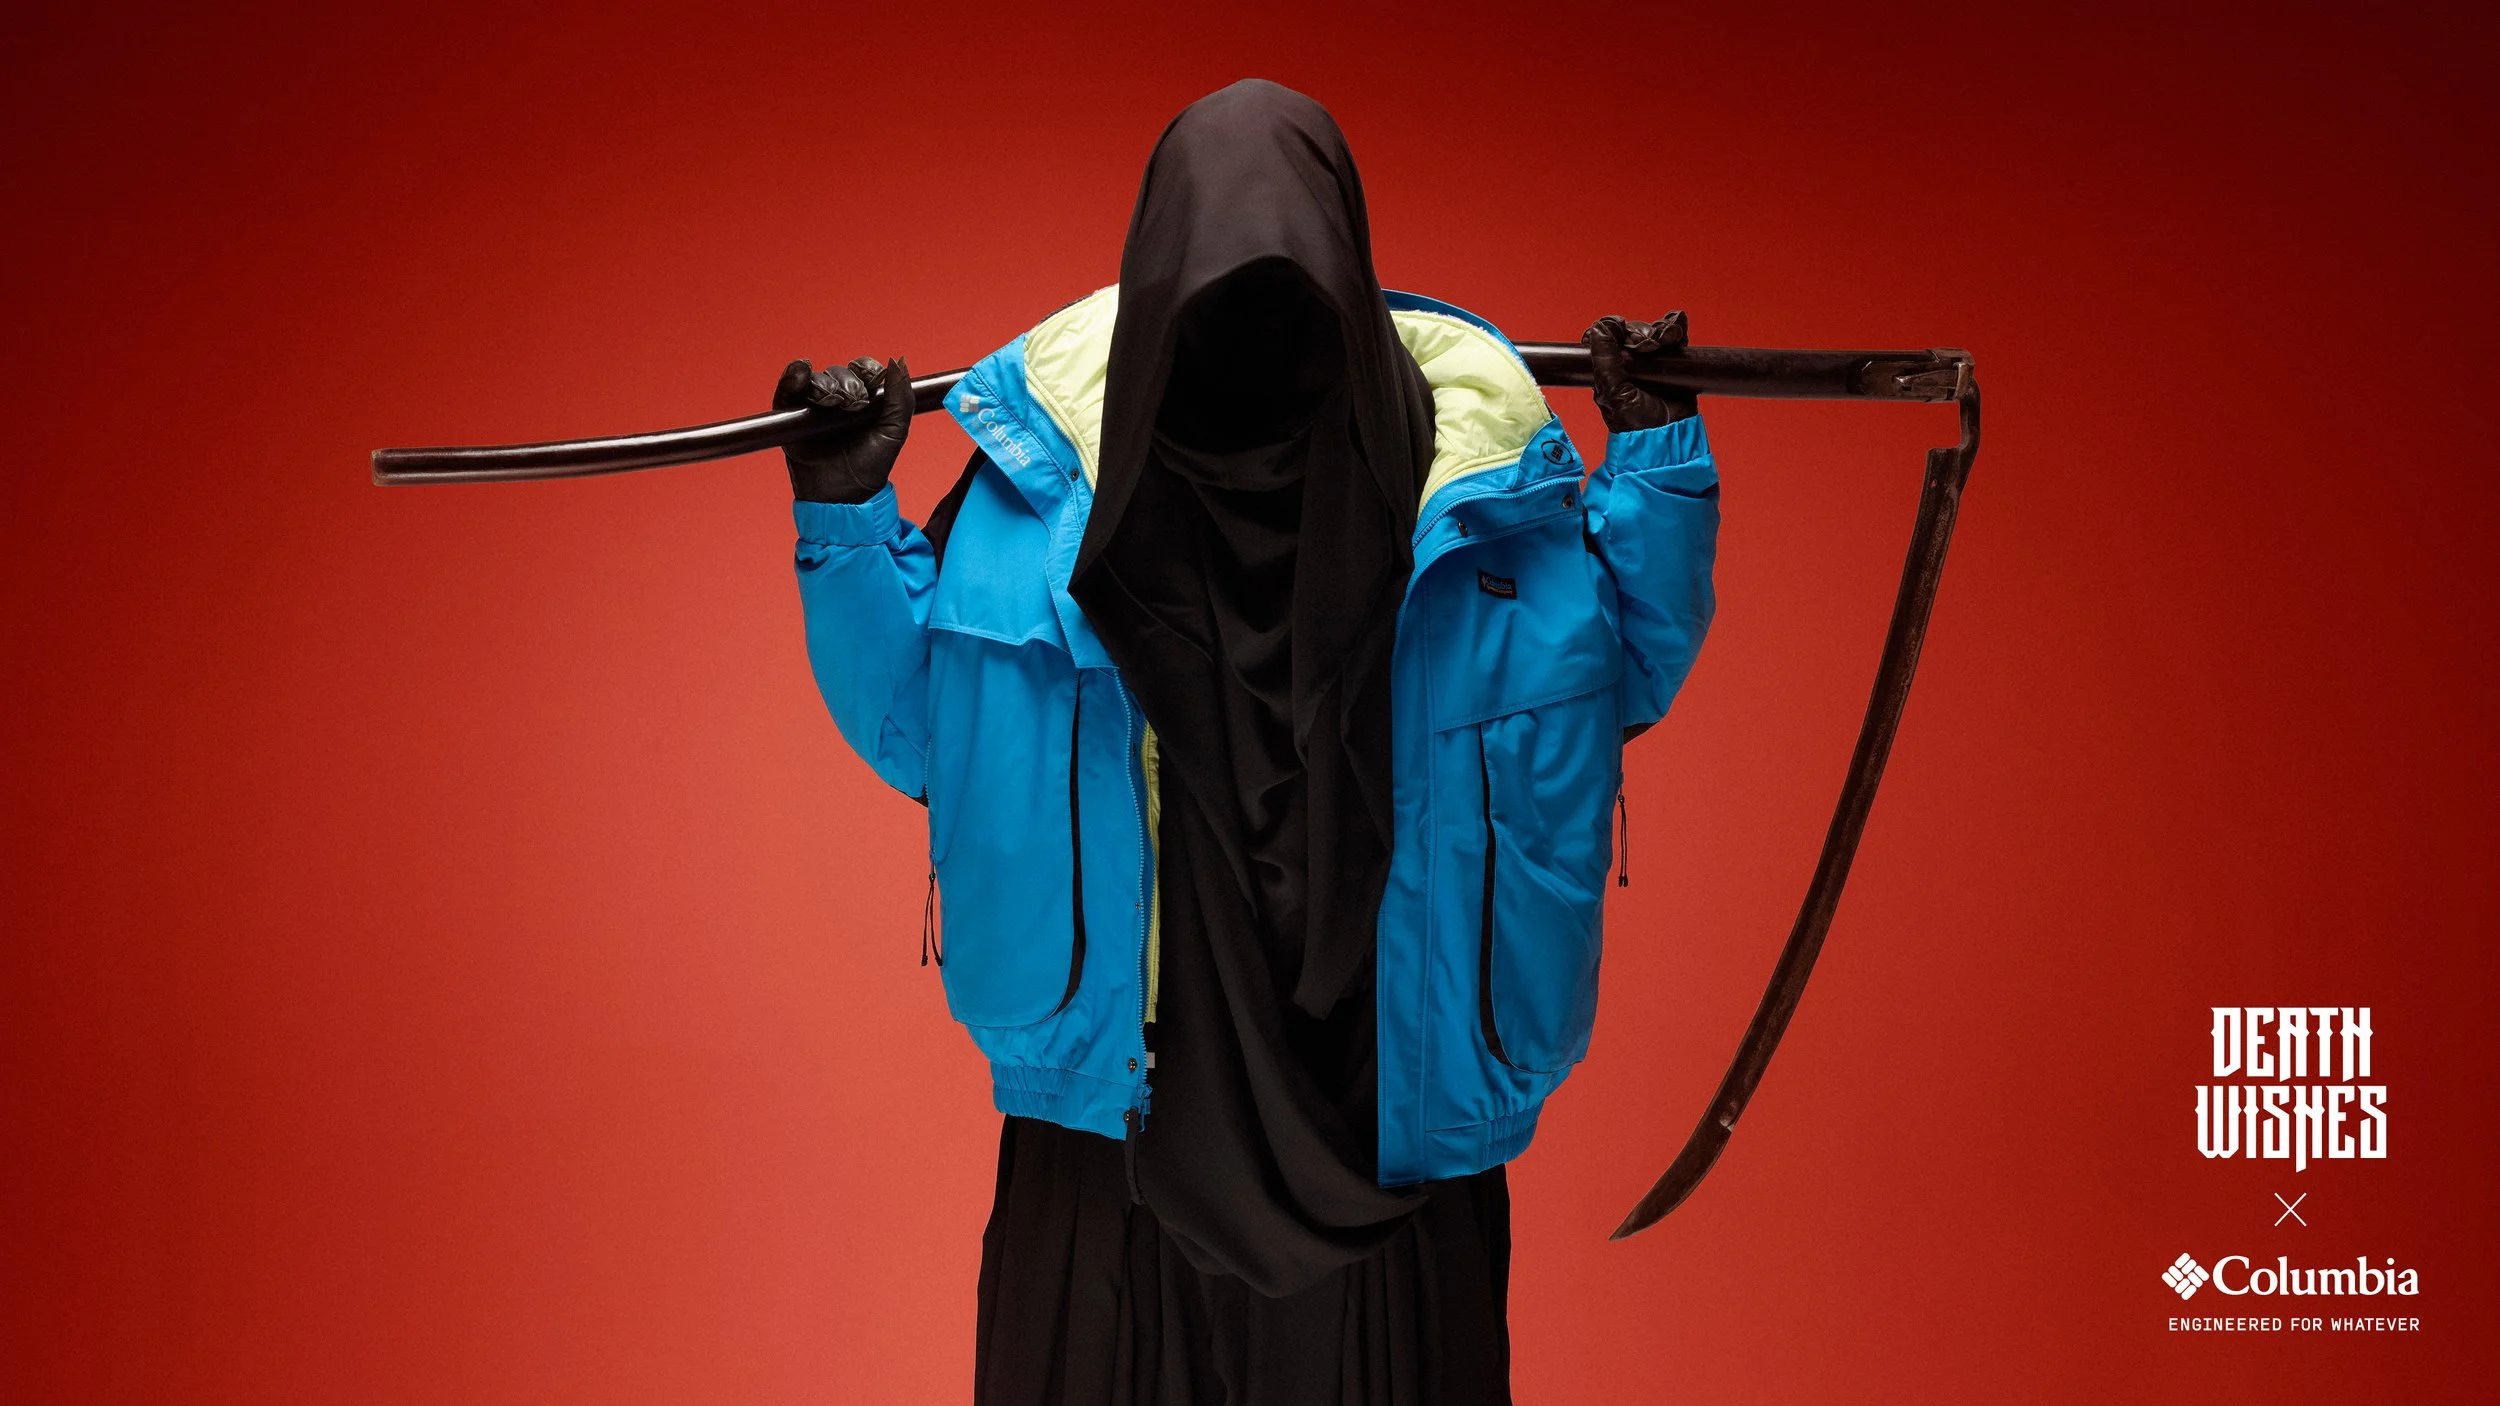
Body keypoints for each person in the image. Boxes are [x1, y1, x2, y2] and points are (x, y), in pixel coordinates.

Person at [776, 78, 1716, 1406]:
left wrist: (1658, 459)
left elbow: (1610, 681)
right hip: (1108, 1131)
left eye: (1291, 301)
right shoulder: (1034, 499)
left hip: (1398, 1113)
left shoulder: (1484, 502)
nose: (1253, 341)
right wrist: (844, 508)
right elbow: (924, 729)